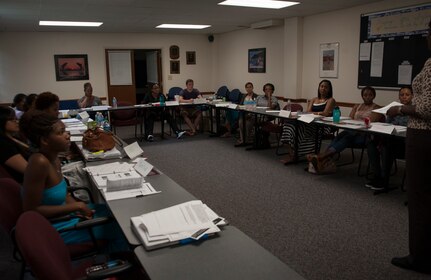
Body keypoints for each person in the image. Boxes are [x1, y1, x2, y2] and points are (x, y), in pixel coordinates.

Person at [20, 110, 128, 252]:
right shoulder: (39, 163)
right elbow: (31, 211)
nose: (67, 135)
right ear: (44, 140)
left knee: (117, 213)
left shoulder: (54, 158)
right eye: (61, 132)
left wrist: (81, 208)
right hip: (54, 228)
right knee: (121, 229)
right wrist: (77, 207)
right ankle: (117, 263)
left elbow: (62, 194)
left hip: (66, 215)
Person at [388, 20, 431, 274]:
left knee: (420, 198)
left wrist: (400, 108)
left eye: (428, 32)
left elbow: (426, 108)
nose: (426, 37)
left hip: (424, 138)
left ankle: (420, 258)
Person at [309, 86, 382, 174]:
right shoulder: (357, 106)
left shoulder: (377, 108)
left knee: (347, 137)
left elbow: (371, 121)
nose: (367, 97)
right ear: (362, 96)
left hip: (365, 136)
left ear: (374, 96)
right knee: (339, 136)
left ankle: (321, 157)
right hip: (353, 131)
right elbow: (350, 119)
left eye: (370, 95)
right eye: (365, 95)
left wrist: (357, 124)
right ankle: (323, 161)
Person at [366, 86, 413, 191]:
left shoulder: (413, 110)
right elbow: (387, 124)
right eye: (402, 95)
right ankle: (377, 175)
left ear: (412, 96)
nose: (404, 97)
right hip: (391, 138)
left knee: (386, 146)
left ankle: (384, 179)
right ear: (399, 97)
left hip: (404, 143)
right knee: (371, 142)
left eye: (407, 95)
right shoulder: (393, 109)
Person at [280, 80, 336, 163]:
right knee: (288, 126)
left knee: (298, 128)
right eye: (321, 86)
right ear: (319, 88)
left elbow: (325, 113)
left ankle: (295, 154)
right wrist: (316, 113)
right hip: (309, 121)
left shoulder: (331, 100)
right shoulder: (314, 99)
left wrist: (315, 113)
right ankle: (292, 154)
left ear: (329, 89)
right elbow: (308, 111)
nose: (323, 89)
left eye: (326, 87)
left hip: (321, 124)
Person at [0, 106, 30, 183]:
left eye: (16, 119)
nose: (16, 121)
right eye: (12, 119)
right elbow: (28, 170)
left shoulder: (15, 137)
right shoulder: (3, 144)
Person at [248, 83, 280, 149]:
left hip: (267, 116)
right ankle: (248, 140)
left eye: (269, 89)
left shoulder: (274, 99)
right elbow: (254, 105)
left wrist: (269, 97)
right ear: (263, 90)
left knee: (253, 122)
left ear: (273, 91)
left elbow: (270, 108)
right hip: (256, 115)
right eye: (266, 89)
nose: (267, 91)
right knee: (244, 120)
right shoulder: (259, 97)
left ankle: (256, 142)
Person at [235, 82, 258, 147]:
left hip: (252, 115)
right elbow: (241, 105)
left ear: (252, 88)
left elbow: (256, 107)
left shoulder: (256, 96)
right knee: (240, 122)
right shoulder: (244, 96)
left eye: (250, 87)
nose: (248, 88)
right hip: (244, 114)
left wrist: (250, 114)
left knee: (247, 124)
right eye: (247, 87)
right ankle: (243, 140)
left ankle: (247, 139)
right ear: (245, 88)